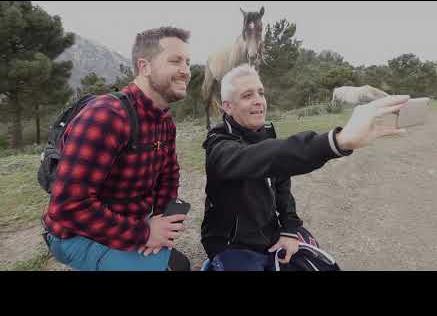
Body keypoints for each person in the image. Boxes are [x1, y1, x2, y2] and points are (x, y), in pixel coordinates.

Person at [201, 64, 409, 271]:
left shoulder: (265, 133)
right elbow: (266, 156)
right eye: (247, 95)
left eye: (261, 93)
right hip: (232, 243)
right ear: (227, 106)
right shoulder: (219, 146)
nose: (258, 101)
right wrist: (338, 141)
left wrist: (289, 229)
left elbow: (282, 186)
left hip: (271, 232)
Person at [42, 27, 192, 271]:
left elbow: (169, 176)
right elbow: (68, 207)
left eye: (187, 62)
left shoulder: (163, 120)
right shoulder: (106, 116)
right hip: (75, 235)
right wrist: (143, 233)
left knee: (180, 265)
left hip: (127, 223)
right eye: (175, 60)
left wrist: (164, 225)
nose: (185, 70)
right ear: (144, 66)